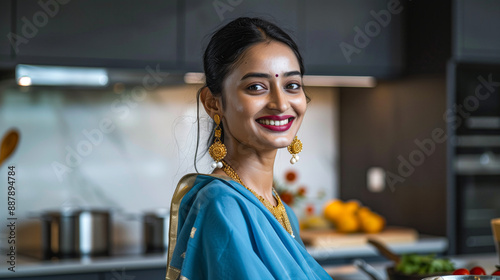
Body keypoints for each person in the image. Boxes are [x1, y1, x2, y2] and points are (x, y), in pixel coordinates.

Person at [166, 17, 332, 280]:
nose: (280, 103)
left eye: (291, 85)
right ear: (213, 103)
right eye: (256, 87)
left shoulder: (281, 210)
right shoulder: (222, 205)